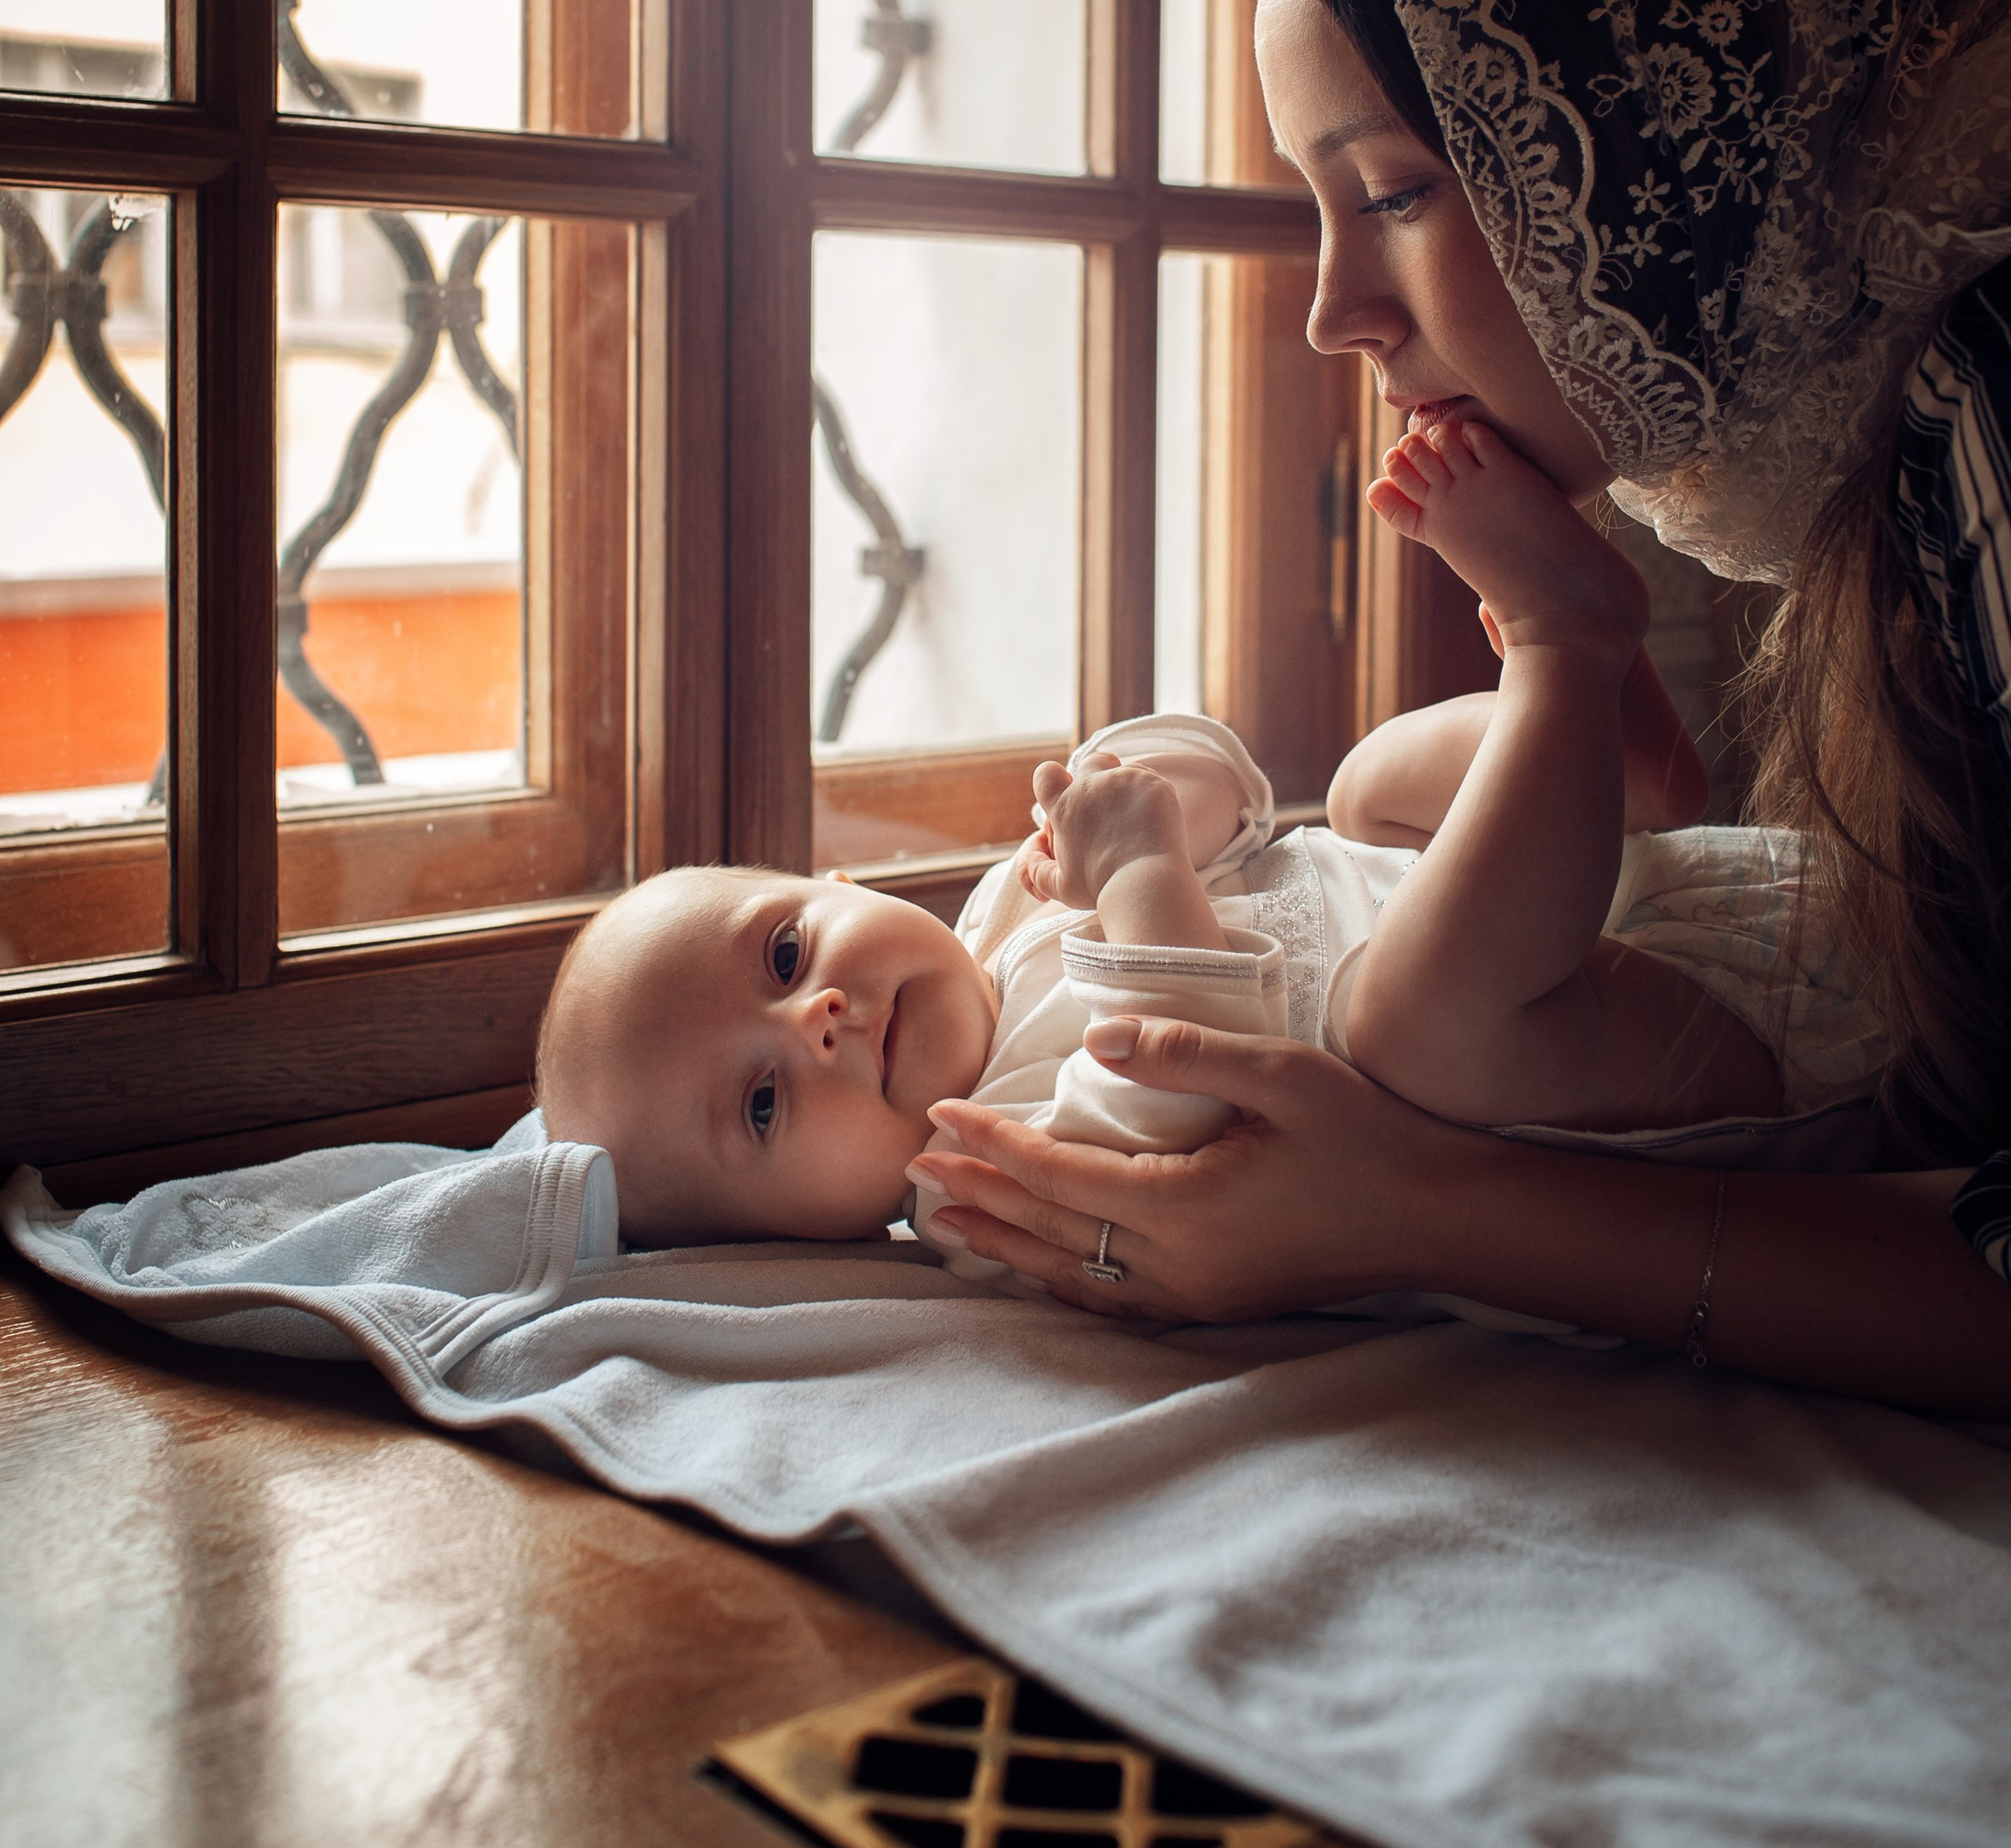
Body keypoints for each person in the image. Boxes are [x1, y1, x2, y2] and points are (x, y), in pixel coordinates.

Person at [903, 0, 2011, 1417]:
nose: (1334, 315)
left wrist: (1409, 1211)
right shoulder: (1886, 483)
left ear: (1652, 149)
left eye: (1401, 192)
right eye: (1318, 204)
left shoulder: (1992, 415)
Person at [537, 430, 1886, 1263]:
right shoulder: (980, 1186)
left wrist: (1141, 792)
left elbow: (1236, 796)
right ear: (793, 1236)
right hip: (1678, 1058)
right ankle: (1563, 648)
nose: (816, 1019)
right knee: (1397, 1013)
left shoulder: (1011, 902)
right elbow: (1182, 1096)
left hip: (1653, 900)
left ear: (839, 886)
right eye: (764, 1104)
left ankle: (1619, 758)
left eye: (783, 952)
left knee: (1358, 792)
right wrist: (1129, 873)